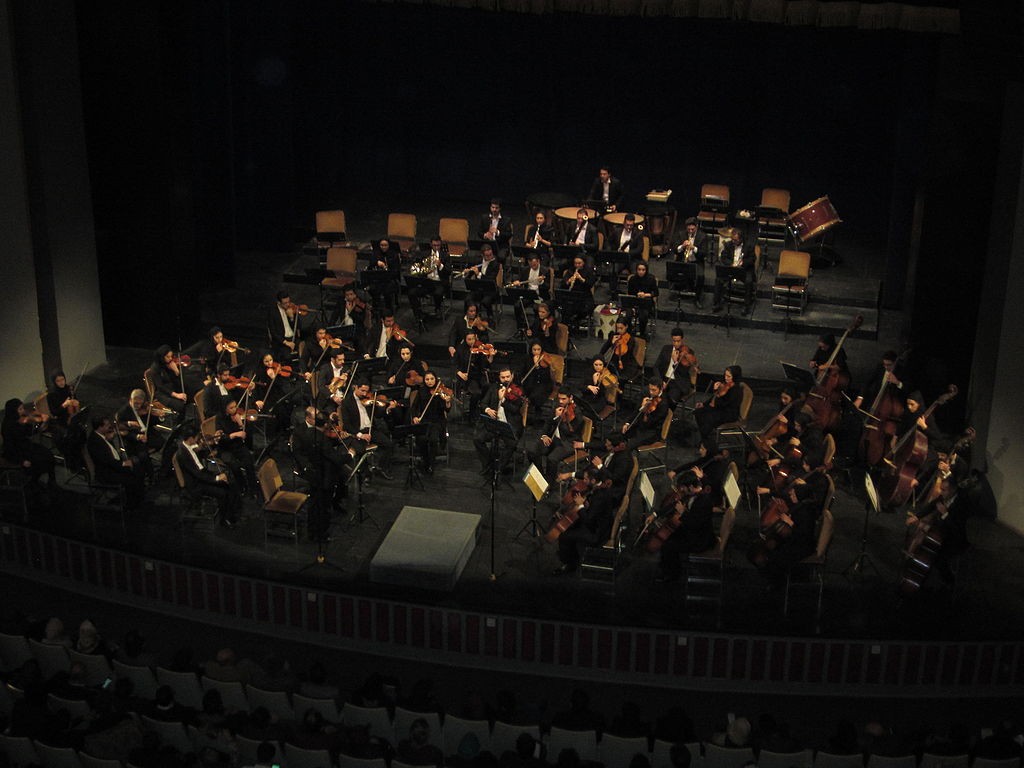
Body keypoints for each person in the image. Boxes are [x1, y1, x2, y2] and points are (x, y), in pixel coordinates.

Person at [644, 470, 716, 583]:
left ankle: (672, 575)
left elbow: (696, 524)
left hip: (699, 539)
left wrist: (683, 513)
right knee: (668, 539)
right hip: (691, 530)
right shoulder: (690, 494)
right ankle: (668, 567)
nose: (681, 490)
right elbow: (673, 506)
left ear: (691, 487)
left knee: (669, 545)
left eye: (683, 488)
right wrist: (655, 515)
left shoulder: (704, 501)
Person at [552, 467, 617, 574]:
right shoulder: (602, 488)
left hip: (597, 533)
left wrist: (581, 505)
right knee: (572, 527)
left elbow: (588, 520)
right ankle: (573, 555)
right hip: (599, 524)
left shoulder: (600, 496)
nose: (584, 480)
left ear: (593, 481)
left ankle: (569, 564)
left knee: (564, 536)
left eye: (586, 479)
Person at [175, 423, 242, 528]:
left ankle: (233, 512)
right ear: (191, 438)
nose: (199, 439)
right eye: (197, 437)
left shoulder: (190, 445)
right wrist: (216, 478)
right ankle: (224, 519)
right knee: (223, 491)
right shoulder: (182, 454)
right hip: (196, 484)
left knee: (230, 481)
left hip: (203, 475)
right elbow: (197, 474)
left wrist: (212, 443)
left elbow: (202, 454)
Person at [291, 405, 354, 512]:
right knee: (333, 475)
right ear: (308, 418)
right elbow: (297, 453)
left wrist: (338, 439)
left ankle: (336, 501)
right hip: (311, 464)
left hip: (323, 459)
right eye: (317, 417)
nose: (322, 420)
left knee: (342, 474)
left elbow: (326, 444)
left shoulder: (320, 431)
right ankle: (325, 505)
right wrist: (307, 466)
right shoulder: (299, 432)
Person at [472, 366, 523, 475]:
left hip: (509, 425)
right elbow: (483, 403)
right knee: (477, 439)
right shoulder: (493, 388)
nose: (506, 379)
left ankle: (498, 469)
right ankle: (488, 464)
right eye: (503, 377)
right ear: (499, 378)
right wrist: (487, 409)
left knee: (512, 444)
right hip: (494, 424)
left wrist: (503, 400)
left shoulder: (517, 390)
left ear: (512, 376)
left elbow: (515, 409)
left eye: (508, 377)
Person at [87, 416, 146, 510]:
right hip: (107, 473)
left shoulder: (101, 435)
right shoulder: (95, 442)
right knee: (133, 477)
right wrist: (123, 464)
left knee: (138, 467)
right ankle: (132, 505)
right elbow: (106, 461)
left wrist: (110, 438)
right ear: (100, 427)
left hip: (113, 466)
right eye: (106, 425)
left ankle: (139, 499)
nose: (110, 426)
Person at [3, 399, 55, 489]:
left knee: (48, 454)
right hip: (16, 452)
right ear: (13, 411)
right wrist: (22, 460)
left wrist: (40, 423)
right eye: (20, 409)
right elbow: (9, 447)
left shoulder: (20, 420)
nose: (23, 411)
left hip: (25, 446)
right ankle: (33, 483)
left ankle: (52, 482)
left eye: (22, 408)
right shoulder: (8, 426)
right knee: (38, 461)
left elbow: (29, 432)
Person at [528, 392, 581, 478]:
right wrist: (544, 435)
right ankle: (541, 478)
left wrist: (558, 418)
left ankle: (550, 484)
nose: (560, 401)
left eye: (564, 399)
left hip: (568, 443)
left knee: (552, 458)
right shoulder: (557, 406)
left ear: (570, 397)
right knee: (532, 451)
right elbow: (548, 423)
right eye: (559, 398)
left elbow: (569, 432)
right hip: (554, 439)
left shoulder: (576, 412)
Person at [407, 371, 451, 475]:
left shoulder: (441, 392)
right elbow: (414, 407)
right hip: (424, 421)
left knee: (433, 440)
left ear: (435, 379)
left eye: (432, 379)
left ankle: (431, 463)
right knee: (422, 439)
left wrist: (447, 402)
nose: (430, 381)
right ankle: (425, 461)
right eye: (427, 379)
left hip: (437, 421)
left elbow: (447, 410)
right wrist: (415, 417)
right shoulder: (421, 391)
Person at [693, 365, 743, 453]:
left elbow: (724, 404)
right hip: (719, 408)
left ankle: (706, 443)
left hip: (729, 413)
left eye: (729, 376)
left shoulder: (736, 390)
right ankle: (705, 437)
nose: (726, 378)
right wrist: (704, 404)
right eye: (725, 375)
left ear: (734, 377)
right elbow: (714, 398)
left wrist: (717, 392)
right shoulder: (724, 385)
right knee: (698, 412)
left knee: (708, 418)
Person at [711, 229, 756, 315]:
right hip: (731, 269)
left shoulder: (749, 246)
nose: (733, 241)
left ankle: (746, 306)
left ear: (741, 239)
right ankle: (717, 304)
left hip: (744, 270)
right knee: (718, 279)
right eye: (732, 239)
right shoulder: (728, 245)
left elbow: (752, 259)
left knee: (748, 282)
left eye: (735, 240)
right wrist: (731, 263)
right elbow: (723, 257)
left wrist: (743, 263)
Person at [408, 236, 451, 320]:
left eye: (438, 245)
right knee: (411, 292)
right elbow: (417, 267)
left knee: (438, 293)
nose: (436, 247)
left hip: (439, 282)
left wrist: (440, 265)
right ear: (431, 244)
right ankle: (418, 313)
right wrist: (421, 270)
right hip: (426, 282)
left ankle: (437, 309)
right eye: (434, 245)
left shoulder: (445, 256)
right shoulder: (424, 254)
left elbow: (448, 272)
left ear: (440, 245)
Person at [653, 329, 698, 407]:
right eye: (674, 341)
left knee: (670, 400)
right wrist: (660, 381)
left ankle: (668, 416)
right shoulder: (666, 349)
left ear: (682, 340)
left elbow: (684, 372)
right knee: (648, 392)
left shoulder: (689, 353)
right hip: (664, 379)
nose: (676, 343)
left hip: (678, 383)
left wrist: (675, 362)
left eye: (678, 341)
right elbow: (656, 366)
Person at [452, 331, 492, 419]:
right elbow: (454, 364)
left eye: (473, 339)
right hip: (467, 377)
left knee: (487, 386)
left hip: (478, 375)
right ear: (465, 339)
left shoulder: (479, 349)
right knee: (476, 393)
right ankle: (472, 411)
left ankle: (482, 405)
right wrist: (460, 373)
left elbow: (486, 364)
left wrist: (490, 356)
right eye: (469, 339)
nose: (471, 341)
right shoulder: (460, 349)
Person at [673, 217, 711, 308]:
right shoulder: (681, 234)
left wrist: (694, 248)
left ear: (696, 227)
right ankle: (680, 289)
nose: (690, 231)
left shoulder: (703, 236)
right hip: (683, 260)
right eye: (688, 229)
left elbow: (704, 254)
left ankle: (697, 298)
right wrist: (682, 246)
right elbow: (674, 249)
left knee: (700, 276)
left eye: (692, 229)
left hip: (696, 261)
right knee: (673, 270)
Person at [622, 379, 669, 450]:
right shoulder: (646, 394)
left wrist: (644, 410)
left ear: (660, 389)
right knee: (618, 434)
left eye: (654, 390)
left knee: (628, 445)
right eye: (650, 389)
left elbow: (650, 423)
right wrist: (628, 423)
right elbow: (636, 411)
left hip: (651, 432)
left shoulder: (663, 404)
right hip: (640, 426)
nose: (651, 392)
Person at [463, 242, 501, 321]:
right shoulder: (478, 260)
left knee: (485, 301)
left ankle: (490, 315)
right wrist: (466, 273)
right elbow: (469, 275)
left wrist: (478, 274)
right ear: (482, 255)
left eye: (491, 254)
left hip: (490, 290)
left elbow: (490, 279)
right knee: (468, 299)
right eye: (487, 256)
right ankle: (469, 317)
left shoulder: (495, 264)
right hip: (478, 288)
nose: (490, 257)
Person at [366, 238, 402, 316]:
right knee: (371, 288)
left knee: (387, 290)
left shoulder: (394, 255)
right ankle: (376, 307)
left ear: (389, 246)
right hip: (378, 279)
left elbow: (396, 270)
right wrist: (376, 262)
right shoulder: (376, 253)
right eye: (382, 245)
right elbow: (370, 264)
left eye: (385, 245)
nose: (383, 247)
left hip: (390, 279)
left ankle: (388, 309)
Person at [520, 342, 555, 416]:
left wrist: (537, 366)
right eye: (534, 350)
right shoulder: (527, 358)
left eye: (538, 349)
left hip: (544, 383)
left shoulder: (544, 359)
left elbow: (546, 377)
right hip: (530, 382)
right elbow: (522, 372)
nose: (536, 352)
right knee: (525, 390)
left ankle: (537, 410)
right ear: (531, 350)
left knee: (536, 395)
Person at [266, 290, 303, 361]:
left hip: (293, 338)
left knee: (303, 352)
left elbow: (299, 326)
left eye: (288, 302)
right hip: (282, 340)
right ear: (279, 303)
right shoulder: (272, 312)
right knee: (287, 357)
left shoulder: (292, 308)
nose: (288, 304)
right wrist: (286, 342)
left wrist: (292, 318)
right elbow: (273, 332)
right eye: (285, 303)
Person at [625, 261, 658, 337]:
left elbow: (656, 293)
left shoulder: (651, 279)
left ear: (646, 270)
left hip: (646, 302)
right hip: (634, 301)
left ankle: (642, 333)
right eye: (639, 269)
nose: (641, 272)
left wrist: (646, 295)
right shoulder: (632, 279)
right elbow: (630, 293)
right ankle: (629, 332)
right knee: (628, 314)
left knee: (643, 315)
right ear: (636, 270)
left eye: (643, 270)